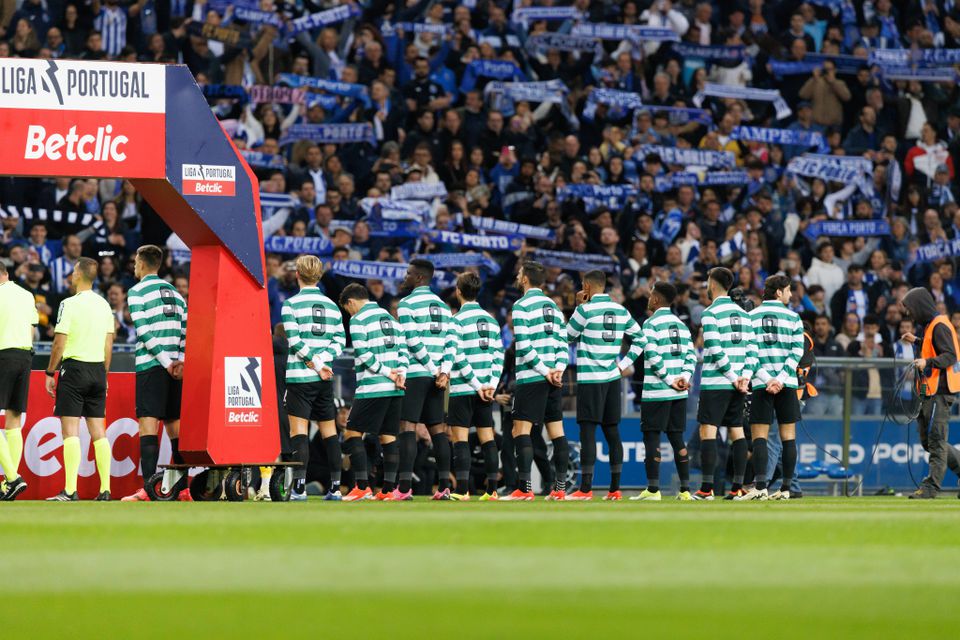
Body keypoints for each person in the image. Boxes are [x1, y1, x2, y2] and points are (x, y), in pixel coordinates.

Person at [564, 270, 644, 502]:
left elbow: (567, 336)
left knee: (587, 431)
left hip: (591, 378)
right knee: (612, 432)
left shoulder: (585, 310)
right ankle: (615, 490)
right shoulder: (620, 309)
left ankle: (586, 490)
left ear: (587, 286)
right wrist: (623, 365)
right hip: (612, 378)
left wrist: (579, 305)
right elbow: (641, 340)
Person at [120, 245, 188, 502]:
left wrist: (164, 361)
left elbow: (143, 329)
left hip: (152, 366)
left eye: (136, 261)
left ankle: (149, 491)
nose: (134, 266)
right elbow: (185, 331)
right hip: (176, 370)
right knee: (175, 427)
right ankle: (183, 490)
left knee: (148, 425)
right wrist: (178, 361)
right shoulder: (177, 294)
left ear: (142, 262)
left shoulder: (137, 292)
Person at [45, 257, 115, 501]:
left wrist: (50, 371)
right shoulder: (104, 305)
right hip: (97, 370)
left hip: (74, 370)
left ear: (78, 275)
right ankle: (105, 489)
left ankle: (70, 490)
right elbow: (109, 344)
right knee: (99, 432)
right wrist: (104, 374)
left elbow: (59, 341)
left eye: (73, 270)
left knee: (70, 431)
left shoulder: (68, 304)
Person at [280, 256, 345, 501]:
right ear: (319, 276)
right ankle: (336, 488)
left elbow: (294, 341)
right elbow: (340, 341)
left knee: (299, 431)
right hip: (324, 377)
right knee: (329, 431)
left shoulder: (291, 304)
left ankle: (299, 488)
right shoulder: (332, 306)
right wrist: (323, 362)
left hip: (300, 377)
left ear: (297, 274)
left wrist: (315, 363)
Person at [503, 260, 569, 501]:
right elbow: (564, 345)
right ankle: (560, 489)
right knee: (557, 432)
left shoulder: (520, 306)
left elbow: (524, 344)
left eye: (520, 273)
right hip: (554, 378)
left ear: (524, 279)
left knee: (520, 430)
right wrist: (557, 370)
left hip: (532, 377)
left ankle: (525, 489)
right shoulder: (554, 307)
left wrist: (543, 371)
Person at [624, 282, 696, 501]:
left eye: (650, 295)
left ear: (656, 300)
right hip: (679, 393)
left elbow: (653, 357)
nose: (648, 298)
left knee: (652, 438)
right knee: (677, 439)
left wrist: (670, 380)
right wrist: (684, 378)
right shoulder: (681, 325)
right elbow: (691, 356)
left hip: (657, 391)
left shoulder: (650, 324)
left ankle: (653, 490)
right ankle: (685, 490)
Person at [338, 284, 407, 502]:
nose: (350, 313)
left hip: (372, 387)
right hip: (396, 387)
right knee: (388, 436)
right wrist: (400, 374)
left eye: (348, 309)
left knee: (351, 433)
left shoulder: (358, 320)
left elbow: (364, 354)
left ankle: (362, 486)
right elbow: (404, 352)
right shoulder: (392, 320)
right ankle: (387, 490)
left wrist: (387, 373)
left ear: (351, 302)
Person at [739, 275, 804, 501]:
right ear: (778, 292)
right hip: (787, 385)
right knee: (788, 437)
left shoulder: (751, 317)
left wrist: (767, 379)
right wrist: (781, 379)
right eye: (788, 291)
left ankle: (760, 487)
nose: (790, 295)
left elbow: (750, 353)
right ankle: (786, 489)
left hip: (760, 384)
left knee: (760, 437)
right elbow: (797, 352)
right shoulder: (794, 318)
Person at [396, 259, 455, 500]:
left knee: (407, 427)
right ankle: (444, 487)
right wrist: (444, 371)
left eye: (409, 273)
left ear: (419, 278)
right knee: (438, 431)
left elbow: (412, 340)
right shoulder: (442, 306)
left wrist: (433, 370)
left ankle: (404, 488)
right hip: (438, 378)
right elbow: (452, 341)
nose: (406, 276)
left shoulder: (406, 304)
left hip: (418, 373)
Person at [693, 267, 754, 501]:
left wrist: (732, 377)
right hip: (739, 385)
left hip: (717, 382)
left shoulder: (710, 314)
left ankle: (707, 489)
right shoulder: (744, 315)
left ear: (713, 283)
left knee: (707, 430)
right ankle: (737, 487)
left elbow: (715, 349)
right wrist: (744, 378)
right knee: (736, 431)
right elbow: (752, 351)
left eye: (707, 280)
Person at [447, 272, 504, 501]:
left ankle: (462, 490)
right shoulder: (491, 320)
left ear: (459, 291)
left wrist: (476, 384)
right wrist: (490, 384)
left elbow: (457, 356)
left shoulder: (456, 320)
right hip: (486, 390)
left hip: (464, 387)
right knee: (487, 438)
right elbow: (498, 356)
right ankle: (492, 491)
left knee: (460, 438)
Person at [899, 287, 960, 499]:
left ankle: (930, 488)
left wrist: (927, 362)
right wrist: (916, 340)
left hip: (940, 391)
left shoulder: (940, 325)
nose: (909, 313)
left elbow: (950, 356)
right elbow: (933, 346)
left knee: (936, 441)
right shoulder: (931, 326)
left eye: (910, 308)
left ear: (919, 305)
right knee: (930, 442)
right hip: (930, 391)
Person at [0, 261, 38, 500]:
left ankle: (12, 478)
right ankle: (9, 485)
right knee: (14, 419)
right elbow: (33, 327)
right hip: (25, 355)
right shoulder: (26, 295)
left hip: (2, 354)